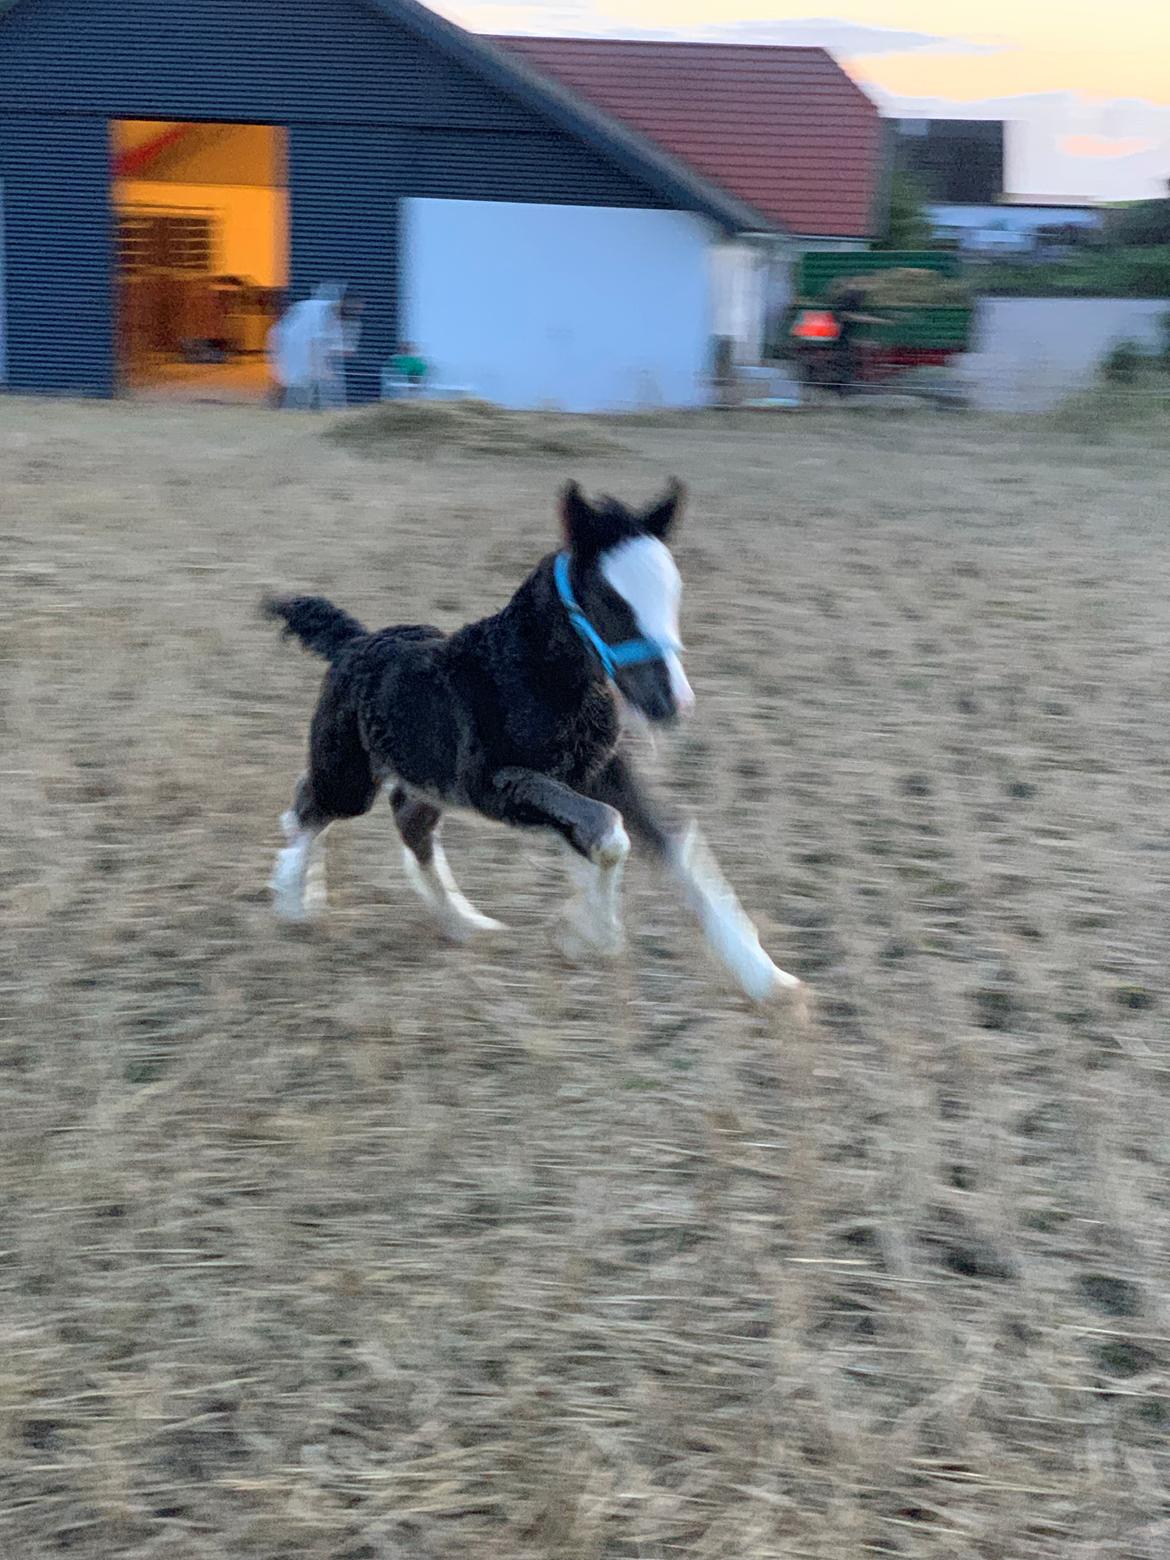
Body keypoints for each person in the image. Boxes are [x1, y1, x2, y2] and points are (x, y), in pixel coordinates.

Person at [268, 283, 363, 410]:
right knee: (293, 382)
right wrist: (322, 368)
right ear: (345, 302)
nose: (356, 312)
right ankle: (280, 408)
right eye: (355, 308)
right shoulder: (321, 313)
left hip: (295, 346)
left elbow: (327, 347)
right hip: (289, 344)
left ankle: (280, 406)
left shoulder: (331, 315)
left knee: (297, 381)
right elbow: (314, 345)